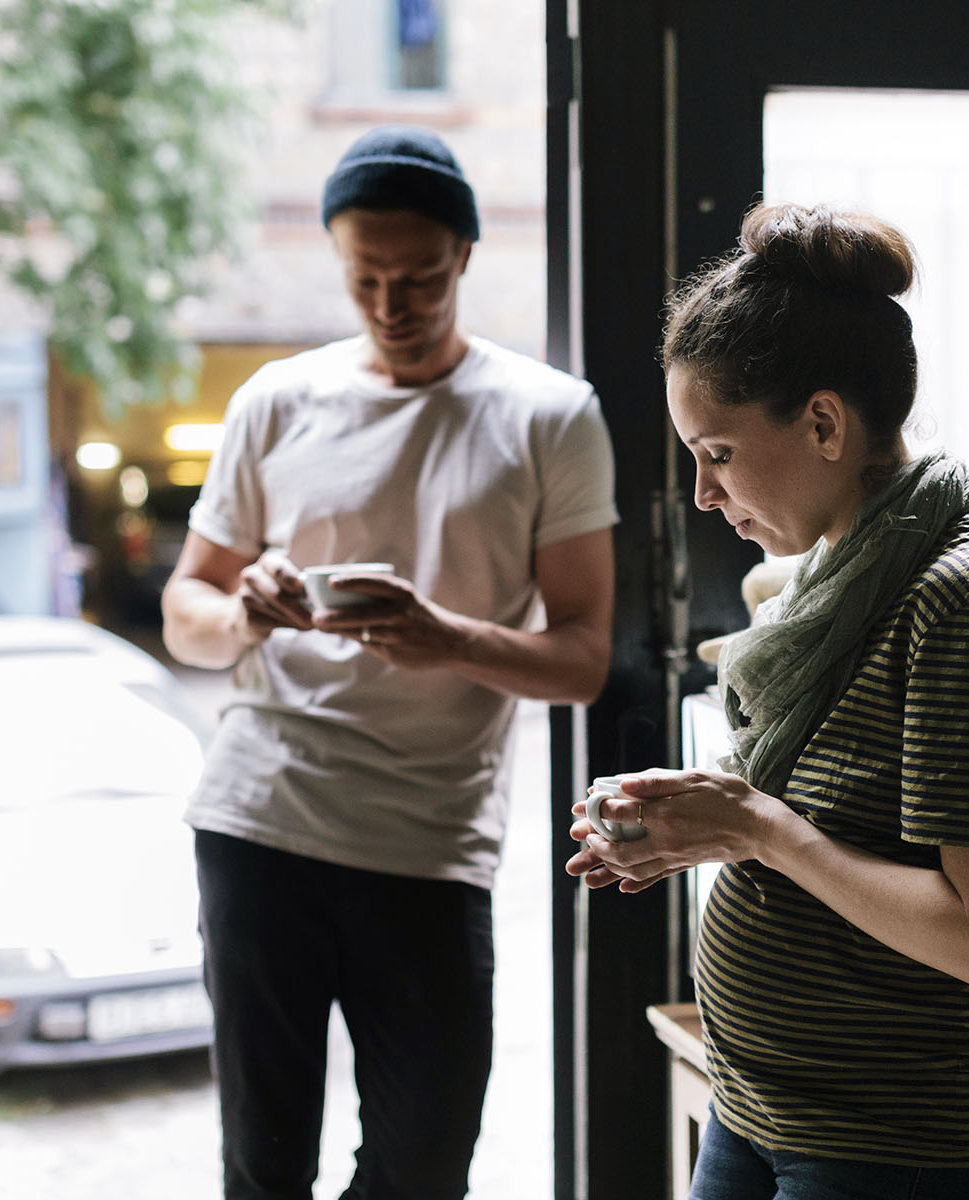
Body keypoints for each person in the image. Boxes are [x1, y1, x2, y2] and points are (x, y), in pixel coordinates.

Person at [566, 203, 969, 1200]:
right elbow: (836, 832)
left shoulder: (967, 600)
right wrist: (694, 827)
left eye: (715, 452)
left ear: (824, 422)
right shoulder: (832, 577)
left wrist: (755, 827)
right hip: (760, 1109)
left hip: (907, 1147)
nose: (706, 495)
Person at [163, 125, 618, 1200]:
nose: (391, 304)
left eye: (417, 277)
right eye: (364, 278)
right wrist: (248, 614)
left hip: (427, 842)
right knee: (262, 1166)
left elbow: (585, 657)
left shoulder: (550, 416)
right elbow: (187, 613)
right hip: (260, 819)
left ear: (464, 255)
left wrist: (449, 637)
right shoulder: (276, 399)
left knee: (424, 1166)